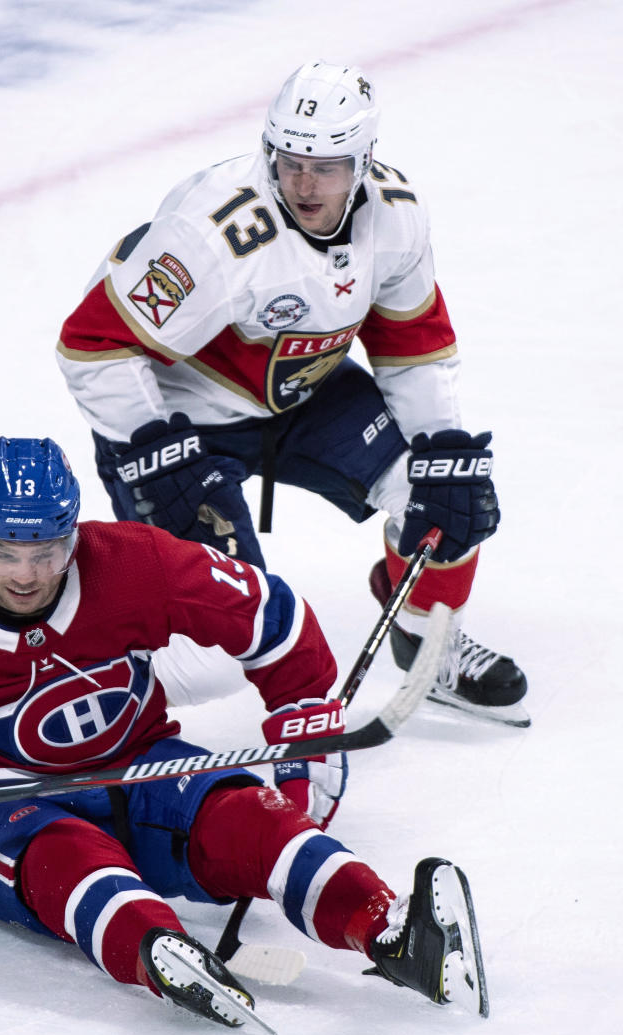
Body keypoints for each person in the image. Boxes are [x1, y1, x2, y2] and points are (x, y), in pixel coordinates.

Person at [0, 436, 488, 1027]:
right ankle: (157, 950)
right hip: (0, 799)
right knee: (73, 859)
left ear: (73, 534)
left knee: (252, 821)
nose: (26, 574)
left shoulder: (133, 563)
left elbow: (269, 615)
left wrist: (305, 719)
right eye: (4, 553)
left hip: (141, 761)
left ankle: (386, 927)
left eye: (47, 552)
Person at [56, 59, 528, 729]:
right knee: (223, 651)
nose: (304, 182)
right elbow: (93, 346)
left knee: (442, 494)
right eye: (289, 161)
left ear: (364, 160)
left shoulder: (395, 218)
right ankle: (53, 699)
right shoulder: (211, 237)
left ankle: (425, 643)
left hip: (306, 395)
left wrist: (444, 444)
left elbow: (412, 340)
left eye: (327, 166)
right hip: (180, 423)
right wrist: (158, 454)